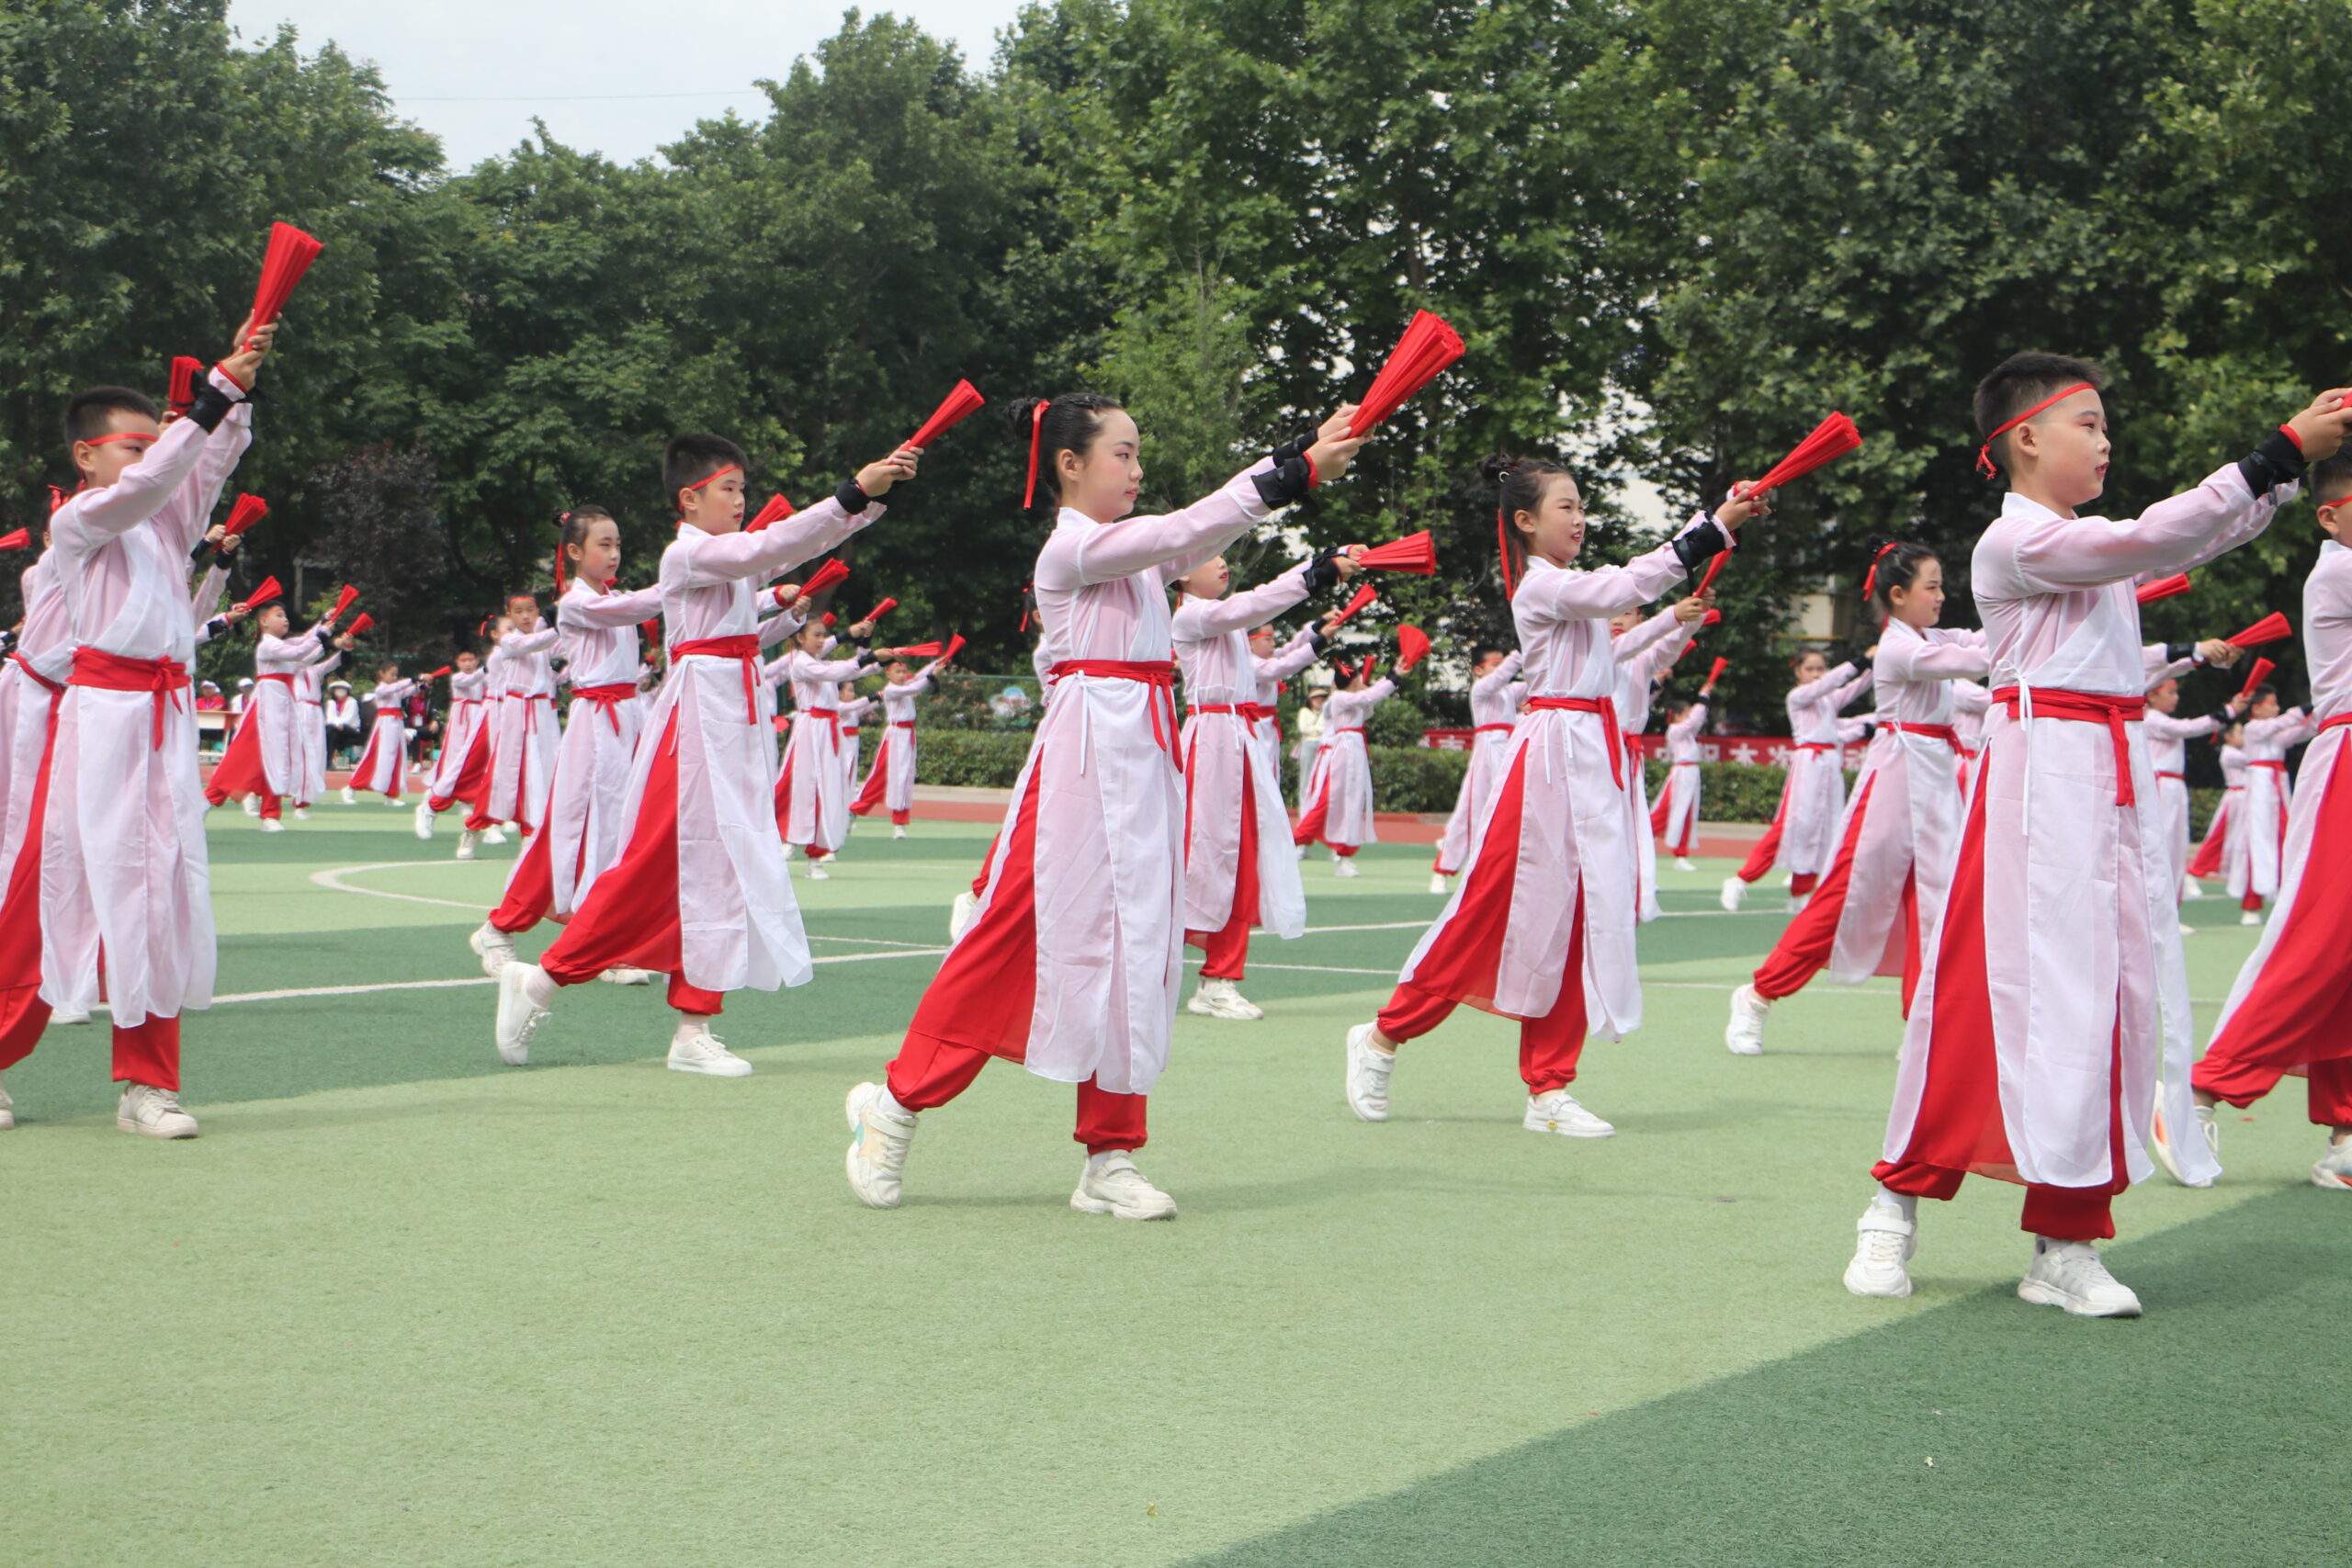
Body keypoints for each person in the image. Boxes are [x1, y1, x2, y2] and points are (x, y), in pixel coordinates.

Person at [1843, 353, 2350, 1316]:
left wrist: (2278, 474)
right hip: (2036, 780)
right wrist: (2278, 450)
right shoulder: (2015, 543)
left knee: (2105, 1009)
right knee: (1974, 1001)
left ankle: (2065, 1240)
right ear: (2024, 438)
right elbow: (2162, 536)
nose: (2105, 438)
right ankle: (1893, 1205)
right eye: (2088, 422)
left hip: (2106, 790)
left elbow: (2185, 537)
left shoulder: (2087, 542)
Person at [844, 395, 1361, 1217]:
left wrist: (1302, 449)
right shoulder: (1073, 549)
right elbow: (1178, 532)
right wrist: (1294, 472)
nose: (1138, 468)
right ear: (1070, 464)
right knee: (1009, 932)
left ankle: (1111, 1157)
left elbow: (1192, 538)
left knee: (1140, 949)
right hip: (1082, 759)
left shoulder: (1131, 557)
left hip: (1148, 758)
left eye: (1137, 453)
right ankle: (894, 1107)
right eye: (1122, 453)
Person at [1340, 454, 1758, 1137]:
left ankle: (1549, 1087)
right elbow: (1627, 583)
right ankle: (1383, 1036)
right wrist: (1713, 526)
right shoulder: (1544, 587)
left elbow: (1618, 638)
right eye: (1566, 506)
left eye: (1581, 505)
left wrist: (1711, 538)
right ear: (1526, 521)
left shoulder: (1574, 595)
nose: (1580, 517)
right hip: (1547, 760)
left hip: (1590, 760)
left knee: (1578, 919)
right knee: (1487, 908)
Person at [492, 434, 919, 1075]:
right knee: (650, 868)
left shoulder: (725, 558)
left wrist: (867, 499)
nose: (742, 500)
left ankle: (693, 1027)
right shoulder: (685, 555)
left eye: (744, 489)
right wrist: (854, 493)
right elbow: (773, 547)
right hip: (695, 722)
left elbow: (770, 567)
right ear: (689, 499)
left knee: (725, 868)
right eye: (730, 489)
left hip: (734, 718)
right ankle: (542, 980)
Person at [13, 321, 271, 1137]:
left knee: (157, 899)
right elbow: (152, 483)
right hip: (99, 722)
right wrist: (211, 394)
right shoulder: (81, 524)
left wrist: (237, 393)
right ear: (86, 458)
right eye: (132, 445)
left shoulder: (164, 526)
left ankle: (147, 1086)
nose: (147, 456)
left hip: (161, 723)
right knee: (49, 898)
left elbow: (203, 464)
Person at [2154, 453, 2352, 1190]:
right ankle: (2202, 1087)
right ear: (2329, 516)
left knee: (2346, 951)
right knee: (2320, 938)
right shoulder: (2335, 571)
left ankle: (2346, 1127)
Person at [1724, 541, 1987, 1055]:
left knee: (1938, 905)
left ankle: (1922, 1023)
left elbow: (1980, 636)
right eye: (1931, 586)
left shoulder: (1928, 635)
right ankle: (1757, 995)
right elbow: (1975, 656)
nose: (1941, 595)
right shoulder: (1898, 645)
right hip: (1896, 779)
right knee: (1840, 899)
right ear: (1898, 594)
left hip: (1934, 779)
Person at [472, 507, 664, 979]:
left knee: (615, 833)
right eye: (604, 544)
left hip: (624, 721)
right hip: (596, 725)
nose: (614, 553)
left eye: (618, 543)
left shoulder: (610, 597)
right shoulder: (578, 602)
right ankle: (501, 925)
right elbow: (641, 606)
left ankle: (603, 940)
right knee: (572, 831)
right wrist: (691, 576)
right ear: (575, 552)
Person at [1171, 547, 1360, 1020]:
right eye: (1208, 556)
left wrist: (1313, 635)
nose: (1221, 562)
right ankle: (1151, 969)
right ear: (1180, 576)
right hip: (1212, 741)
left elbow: (1268, 666)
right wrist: (1317, 570)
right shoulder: (1194, 617)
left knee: (1241, 859)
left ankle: (1218, 979)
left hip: (1237, 741)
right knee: (1198, 858)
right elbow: (1254, 605)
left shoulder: (1225, 624)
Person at [1720, 649, 1871, 912]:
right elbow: (1833, 682)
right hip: (1808, 767)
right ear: (1798, 672)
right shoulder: (1798, 696)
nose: (1816, 674)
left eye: (1820, 668)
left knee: (1824, 828)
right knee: (1792, 826)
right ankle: (1740, 879)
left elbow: (1856, 688)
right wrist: (1861, 661)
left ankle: (1800, 893)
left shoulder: (1828, 702)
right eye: (1810, 669)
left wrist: (1877, 664)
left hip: (1830, 766)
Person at [202, 604, 341, 828]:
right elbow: (299, 651)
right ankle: (209, 798)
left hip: (283, 706)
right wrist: (322, 634)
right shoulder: (267, 645)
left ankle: (270, 814)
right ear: (263, 622)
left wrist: (323, 624)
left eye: (285, 614)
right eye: (279, 615)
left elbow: (303, 647)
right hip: (266, 706)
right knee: (243, 756)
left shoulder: (281, 645)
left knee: (278, 759)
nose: (285, 619)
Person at [1611, 599, 1707, 920]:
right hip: (1590, 752)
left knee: (1630, 828)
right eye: (1608, 612)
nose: (1617, 620)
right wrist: (1676, 616)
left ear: (1639, 618)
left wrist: (1691, 619)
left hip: (1627, 756)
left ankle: (1632, 891)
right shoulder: (1590, 651)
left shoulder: (1642, 658)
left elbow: (1668, 645)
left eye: (1626, 613)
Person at [769, 617, 878, 880]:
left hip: (829, 733)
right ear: (799, 639)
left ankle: (816, 857)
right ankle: (780, 841)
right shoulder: (801, 663)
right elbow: (836, 673)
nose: (821, 641)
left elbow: (854, 669)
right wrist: (850, 639)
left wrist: (865, 642)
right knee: (798, 786)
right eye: (815, 635)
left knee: (827, 790)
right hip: (810, 731)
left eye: (823, 636)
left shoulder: (821, 662)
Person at [2141, 673, 2241, 932]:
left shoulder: (2161, 721)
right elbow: (2188, 728)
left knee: (2177, 848)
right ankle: (2155, 916)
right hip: (2160, 786)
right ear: (2152, 695)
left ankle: (2170, 913)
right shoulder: (2151, 719)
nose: (2176, 698)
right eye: (2170, 692)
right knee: (2160, 850)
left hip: (2175, 788)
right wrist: (2228, 711)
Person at [1292, 652, 1396, 875]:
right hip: (1342, 752)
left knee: (1351, 801)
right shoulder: (1339, 699)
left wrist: (1368, 689)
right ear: (1353, 681)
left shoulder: (1350, 699)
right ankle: (1297, 841)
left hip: (1354, 751)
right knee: (1330, 799)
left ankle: (1343, 855)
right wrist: (1393, 676)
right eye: (1357, 678)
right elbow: (1367, 699)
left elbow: (1366, 707)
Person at [1430, 646, 1523, 896]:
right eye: (1495, 664)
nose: (1500, 669)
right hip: (1487, 755)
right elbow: (1501, 677)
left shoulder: (1509, 691)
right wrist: (1520, 653)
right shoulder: (1481, 689)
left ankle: (1502, 875)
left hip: (1510, 752)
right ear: (1479, 670)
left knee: (1512, 814)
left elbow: (1538, 683)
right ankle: (1444, 870)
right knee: (1471, 813)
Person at [2230, 682, 2313, 925]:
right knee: (2257, 842)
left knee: (2286, 838)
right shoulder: (2253, 728)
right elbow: (2281, 724)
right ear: (2256, 709)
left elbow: (2296, 733)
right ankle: (2251, 905)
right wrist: (2307, 707)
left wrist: (2321, 713)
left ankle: (2285, 898)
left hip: (2278, 786)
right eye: (2272, 704)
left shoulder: (2273, 732)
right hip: (2260, 786)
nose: (2277, 708)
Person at [481, 594, 559, 837]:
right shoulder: (509, 641)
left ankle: (536, 822)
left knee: (544, 764)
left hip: (542, 712)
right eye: (519, 611)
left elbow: (566, 644)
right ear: (510, 616)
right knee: (509, 765)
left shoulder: (542, 642)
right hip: (516, 710)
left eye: (531, 610)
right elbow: (533, 644)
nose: (526, 616)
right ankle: (483, 822)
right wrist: (554, 623)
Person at [850, 650, 951, 835]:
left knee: (904, 777)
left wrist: (938, 661)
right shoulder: (891, 690)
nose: (902, 676)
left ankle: (899, 822)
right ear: (888, 674)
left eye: (904, 672)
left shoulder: (906, 684)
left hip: (908, 735)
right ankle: (855, 809)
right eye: (898, 672)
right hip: (895, 735)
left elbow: (919, 677)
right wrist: (932, 676)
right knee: (880, 776)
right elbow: (916, 687)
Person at [416, 649, 497, 854]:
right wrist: (488, 667)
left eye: (471, 660)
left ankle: (482, 816)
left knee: (483, 766)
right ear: (458, 662)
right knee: (455, 762)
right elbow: (469, 681)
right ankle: (433, 802)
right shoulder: (458, 677)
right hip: (461, 720)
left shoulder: (483, 677)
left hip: (481, 715)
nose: (468, 663)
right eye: (464, 660)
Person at [1653, 682, 1716, 870]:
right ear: (1678, 716)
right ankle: (1640, 838)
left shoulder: (1687, 733)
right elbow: (1694, 722)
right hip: (1681, 774)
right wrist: (1702, 698)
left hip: (1691, 773)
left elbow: (1696, 721)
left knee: (1686, 813)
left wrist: (1703, 701)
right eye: (1687, 714)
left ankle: (1680, 856)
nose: (1690, 718)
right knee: (1665, 809)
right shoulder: (1675, 731)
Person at [2186, 720, 2245, 890]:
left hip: (2246, 797)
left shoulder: (2237, 752)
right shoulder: (2230, 753)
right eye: (2240, 732)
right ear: (2228, 736)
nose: (2245, 737)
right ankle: (2198, 867)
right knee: (2220, 834)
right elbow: (2254, 759)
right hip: (2236, 798)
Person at [346, 664, 416, 805]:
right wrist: (413, 679)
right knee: (375, 756)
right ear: (381, 673)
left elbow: (404, 692)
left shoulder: (394, 690)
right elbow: (394, 688)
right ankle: (351, 787)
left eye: (396, 674)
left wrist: (420, 685)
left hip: (396, 724)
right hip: (385, 725)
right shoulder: (381, 689)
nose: (394, 678)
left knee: (396, 757)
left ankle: (391, 795)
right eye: (392, 674)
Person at [1291, 688, 1329, 809]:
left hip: (1322, 744)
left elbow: (1326, 728)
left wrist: (1314, 729)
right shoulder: (1304, 712)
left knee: (1321, 777)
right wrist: (1318, 729)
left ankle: (1316, 807)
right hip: (1308, 744)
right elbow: (1303, 728)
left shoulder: (1326, 713)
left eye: (1322, 699)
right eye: (1316, 698)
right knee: (1306, 777)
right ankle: (1304, 809)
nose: (1319, 701)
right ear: (1310, 700)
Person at [323, 680, 362, 761]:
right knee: (331, 731)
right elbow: (330, 717)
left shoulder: (352, 702)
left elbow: (348, 719)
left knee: (331, 730)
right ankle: (327, 761)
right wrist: (337, 724)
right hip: (336, 729)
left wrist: (337, 724)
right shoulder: (331, 703)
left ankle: (327, 761)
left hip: (351, 730)